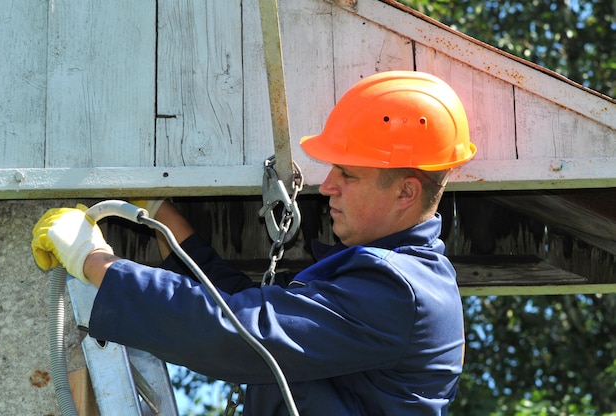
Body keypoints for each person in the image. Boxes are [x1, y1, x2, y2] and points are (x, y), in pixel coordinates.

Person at [32, 71, 476, 415]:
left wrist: (93, 261)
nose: (328, 187)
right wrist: (160, 211)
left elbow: (243, 335)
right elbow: (245, 307)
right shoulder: (396, 279)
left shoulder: (399, 292)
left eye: (349, 174)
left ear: (405, 192)